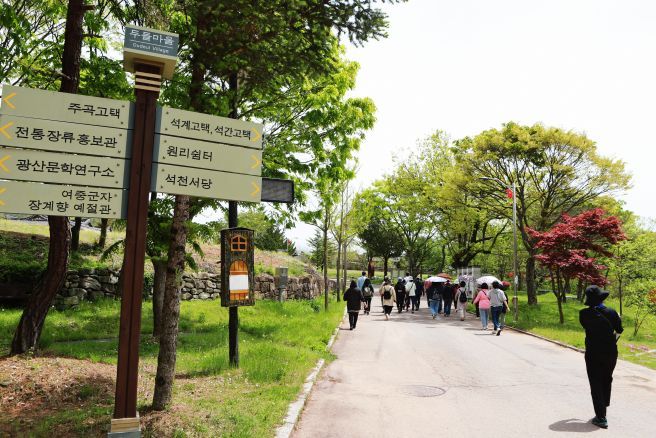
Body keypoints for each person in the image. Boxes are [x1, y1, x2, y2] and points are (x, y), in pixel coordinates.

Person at [579, 285, 624, 429]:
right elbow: (619, 330)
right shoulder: (612, 312)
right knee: (607, 379)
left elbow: (587, 327)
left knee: (595, 382)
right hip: (610, 352)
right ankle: (603, 407)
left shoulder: (583, 314)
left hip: (593, 352)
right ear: (601, 297)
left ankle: (601, 417)